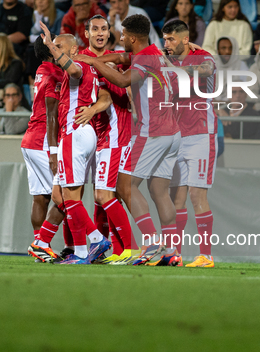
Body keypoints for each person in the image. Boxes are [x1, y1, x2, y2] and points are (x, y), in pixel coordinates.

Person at [75, 14, 182, 266]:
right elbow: (123, 58)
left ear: (132, 38)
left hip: (153, 131)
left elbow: (123, 80)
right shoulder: (154, 52)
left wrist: (91, 60)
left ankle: (151, 243)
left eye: (123, 35)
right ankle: (171, 250)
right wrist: (99, 59)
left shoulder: (144, 59)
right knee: (159, 192)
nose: (120, 39)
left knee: (125, 187)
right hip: (173, 132)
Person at [39, 24, 113, 265]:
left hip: (74, 133)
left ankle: (94, 240)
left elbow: (75, 71)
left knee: (70, 197)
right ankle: (82, 249)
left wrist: (51, 44)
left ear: (73, 49)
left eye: (60, 47)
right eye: (54, 47)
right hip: (79, 134)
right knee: (61, 196)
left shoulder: (79, 65)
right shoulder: (75, 68)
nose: (54, 51)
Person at [74, 15, 136, 264]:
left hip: (113, 134)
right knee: (101, 196)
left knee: (105, 195)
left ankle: (130, 248)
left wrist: (91, 110)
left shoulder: (114, 59)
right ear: (86, 33)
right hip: (93, 136)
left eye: (104, 29)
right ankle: (116, 250)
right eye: (95, 29)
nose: (100, 33)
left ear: (109, 32)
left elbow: (107, 95)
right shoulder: (80, 60)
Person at [162, 20, 217, 268]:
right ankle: (175, 254)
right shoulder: (166, 58)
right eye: (164, 39)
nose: (166, 44)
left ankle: (206, 256)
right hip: (176, 136)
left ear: (185, 39)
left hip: (200, 135)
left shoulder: (204, 57)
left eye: (171, 39)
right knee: (176, 199)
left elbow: (206, 70)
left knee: (197, 195)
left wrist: (177, 66)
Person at [23, 36, 66, 262]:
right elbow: (52, 114)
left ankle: (39, 243)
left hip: (30, 139)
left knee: (41, 197)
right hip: (43, 141)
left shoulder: (42, 69)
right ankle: (42, 243)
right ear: (50, 52)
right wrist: (54, 149)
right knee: (65, 195)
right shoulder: (55, 73)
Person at [214, 36, 250, 102]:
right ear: (218, 50)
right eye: (223, 48)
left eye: (230, 48)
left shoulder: (241, 65)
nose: (227, 51)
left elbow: (243, 93)